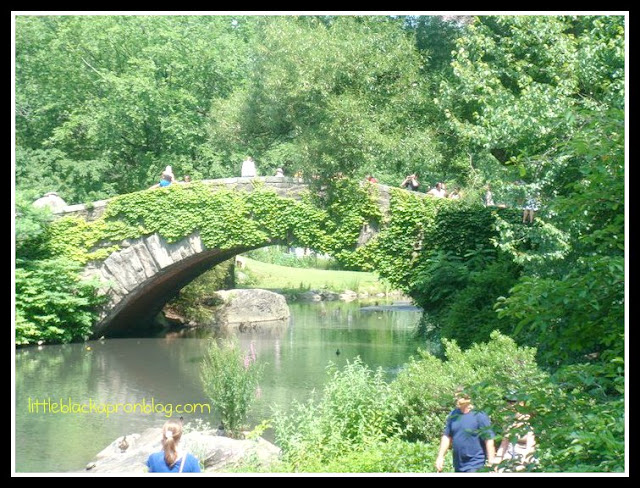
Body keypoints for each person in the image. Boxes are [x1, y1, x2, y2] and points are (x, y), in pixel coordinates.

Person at [435, 392, 496, 473]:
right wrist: (440, 457)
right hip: (458, 464)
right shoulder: (453, 415)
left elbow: (488, 439)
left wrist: (491, 461)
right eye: (457, 397)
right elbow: (447, 437)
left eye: (461, 397)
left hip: (475, 463)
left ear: (468, 399)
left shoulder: (479, 415)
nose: (458, 400)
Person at [495, 395, 536, 472]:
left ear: (521, 403)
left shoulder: (529, 421)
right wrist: (495, 463)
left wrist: (524, 464)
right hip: (509, 456)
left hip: (524, 457)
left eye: (513, 402)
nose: (510, 404)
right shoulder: (509, 421)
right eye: (508, 402)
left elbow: (531, 446)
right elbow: (504, 445)